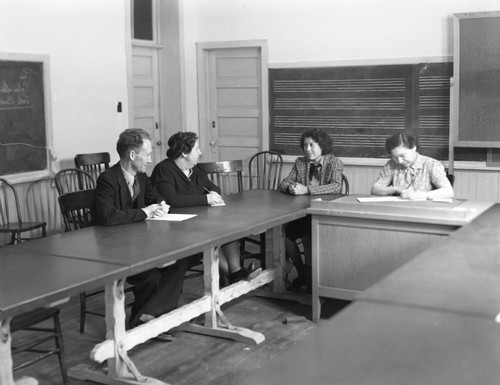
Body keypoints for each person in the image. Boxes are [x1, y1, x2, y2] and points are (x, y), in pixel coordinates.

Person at [95, 128, 188, 334]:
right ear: (132, 155)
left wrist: (161, 205)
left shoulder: (142, 177)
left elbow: (155, 198)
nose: (149, 159)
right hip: (116, 249)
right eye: (146, 154)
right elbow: (108, 216)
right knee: (151, 276)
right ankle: (143, 320)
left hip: (141, 243)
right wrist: (145, 212)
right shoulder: (108, 179)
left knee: (180, 261)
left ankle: (151, 315)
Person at [150, 131, 260, 284]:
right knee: (211, 237)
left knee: (228, 228)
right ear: (184, 153)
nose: (200, 153)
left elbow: (213, 187)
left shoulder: (194, 169)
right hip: (177, 227)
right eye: (196, 149)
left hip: (199, 220)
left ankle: (235, 271)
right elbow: (170, 200)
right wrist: (206, 198)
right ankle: (234, 273)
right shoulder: (165, 169)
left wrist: (214, 193)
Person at [278, 128, 344, 292]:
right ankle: (302, 275)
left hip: (322, 214)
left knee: (308, 236)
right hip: (301, 211)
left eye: (312, 145)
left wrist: (307, 189)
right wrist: (292, 187)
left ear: (322, 146)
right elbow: (283, 183)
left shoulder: (334, 162)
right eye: (305, 145)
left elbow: (336, 186)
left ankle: (312, 279)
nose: (307, 149)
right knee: (285, 234)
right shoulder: (300, 162)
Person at [371, 131, 454, 200]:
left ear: (414, 148)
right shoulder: (391, 164)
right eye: (395, 157)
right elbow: (375, 189)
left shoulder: (431, 165)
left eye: (402, 155)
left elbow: (449, 192)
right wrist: (394, 189)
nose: (399, 161)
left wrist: (423, 195)